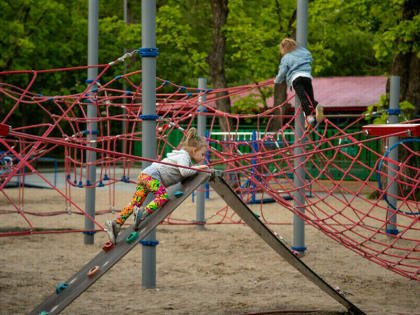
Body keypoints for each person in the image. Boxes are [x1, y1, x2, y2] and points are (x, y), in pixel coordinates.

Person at [105, 127, 209, 244]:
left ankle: (116, 224)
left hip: (145, 175)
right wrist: (198, 168)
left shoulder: (185, 159)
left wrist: (195, 170)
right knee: (163, 197)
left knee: (135, 202)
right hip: (152, 176)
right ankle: (143, 213)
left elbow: (186, 174)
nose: (203, 158)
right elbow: (185, 171)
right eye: (203, 154)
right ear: (194, 150)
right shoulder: (183, 156)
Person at [274, 38, 323, 127]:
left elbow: (282, 72)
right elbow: (310, 58)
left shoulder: (286, 57)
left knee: (302, 97)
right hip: (307, 77)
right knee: (310, 98)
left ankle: (308, 116)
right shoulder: (303, 52)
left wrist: (277, 80)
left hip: (296, 78)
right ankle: (317, 106)